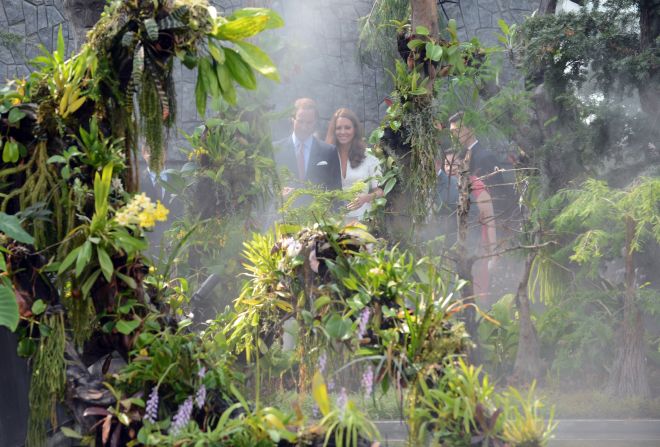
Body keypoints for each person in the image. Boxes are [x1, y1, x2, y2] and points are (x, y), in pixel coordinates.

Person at [444, 150, 497, 302]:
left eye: (455, 163)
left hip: (477, 249)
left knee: (476, 293)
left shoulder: (477, 186)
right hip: (452, 250)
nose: (450, 168)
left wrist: (493, 254)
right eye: (447, 164)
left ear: (465, 163)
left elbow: (490, 221)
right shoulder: (445, 186)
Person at [325, 108, 383, 222]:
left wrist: (366, 198)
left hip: (362, 221)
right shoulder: (325, 158)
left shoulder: (369, 159)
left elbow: (380, 191)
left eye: (347, 127)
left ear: (355, 130)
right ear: (333, 131)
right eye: (338, 128)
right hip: (332, 222)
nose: (343, 132)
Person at [273, 98, 341, 191]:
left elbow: (336, 192)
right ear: (292, 119)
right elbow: (266, 187)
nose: (304, 127)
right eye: (300, 121)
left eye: (309, 122)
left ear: (315, 121)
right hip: (285, 205)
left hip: (318, 205)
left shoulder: (329, 152)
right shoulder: (276, 150)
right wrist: (278, 195)